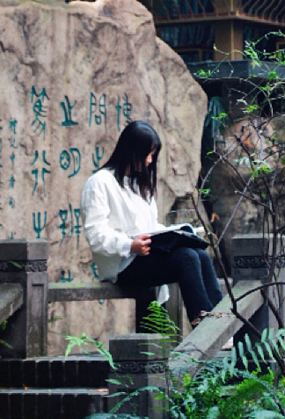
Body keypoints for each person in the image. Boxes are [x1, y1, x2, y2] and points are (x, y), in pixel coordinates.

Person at [81, 120, 222, 325]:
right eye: (147, 154)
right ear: (131, 152)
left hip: (146, 257)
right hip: (121, 266)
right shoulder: (99, 183)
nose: (149, 161)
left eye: (152, 155)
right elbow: (96, 235)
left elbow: (150, 226)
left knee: (201, 255)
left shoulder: (139, 184)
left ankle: (222, 322)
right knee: (187, 257)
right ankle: (205, 326)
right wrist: (129, 245)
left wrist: (176, 235)